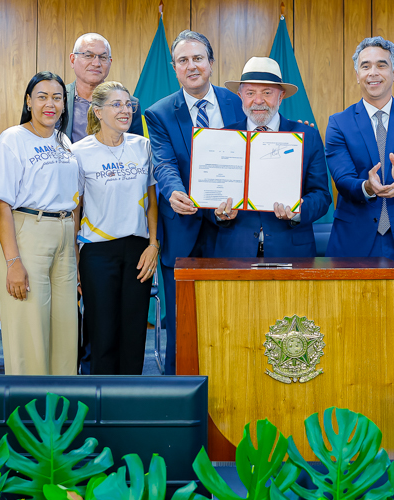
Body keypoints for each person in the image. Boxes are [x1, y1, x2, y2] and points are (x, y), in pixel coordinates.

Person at [325, 36, 394, 374]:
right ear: (357, 73)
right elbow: (342, 177)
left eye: (381, 65)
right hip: (354, 242)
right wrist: (367, 186)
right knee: (350, 330)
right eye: (365, 66)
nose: (373, 73)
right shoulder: (339, 122)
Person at [144, 30, 244, 374]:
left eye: (198, 58)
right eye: (183, 60)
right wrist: (172, 191)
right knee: (182, 324)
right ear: (174, 68)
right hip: (182, 228)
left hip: (232, 229)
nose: (192, 66)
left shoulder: (238, 102)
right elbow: (164, 162)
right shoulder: (158, 113)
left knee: (230, 320)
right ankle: (178, 400)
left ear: (211, 64)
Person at [0, 71, 79, 376]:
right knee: (30, 331)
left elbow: (74, 198)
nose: (50, 104)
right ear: (29, 102)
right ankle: (29, 415)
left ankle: (60, 414)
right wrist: (13, 261)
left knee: (66, 332)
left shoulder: (64, 140)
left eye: (57, 97)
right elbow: (2, 204)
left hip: (65, 235)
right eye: (42, 97)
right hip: (29, 232)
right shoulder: (12, 138)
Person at [72, 81, 158, 375]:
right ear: (98, 110)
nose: (125, 110)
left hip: (138, 249)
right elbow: (75, 210)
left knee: (134, 332)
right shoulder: (79, 151)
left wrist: (153, 245)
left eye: (128, 104)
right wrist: (75, 260)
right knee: (102, 332)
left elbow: (152, 204)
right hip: (97, 252)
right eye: (117, 104)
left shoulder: (143, 146)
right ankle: (99, 407)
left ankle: (129, 404)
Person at [212, 57, 331, 256]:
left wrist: (299, 211)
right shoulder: (224, 137)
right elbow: (211, 196)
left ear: (281, 96)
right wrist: (220, 214)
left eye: (267, 93)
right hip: (235, 251)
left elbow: (322, 196)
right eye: (250, 93)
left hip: (291, 251)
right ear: (240, 95)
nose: (258, 101)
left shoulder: (307, 136)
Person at [65, 33, 144, 144]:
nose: (96, 63)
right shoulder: (57, 98)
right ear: (73, 60)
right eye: (88, 56)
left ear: (110, 63)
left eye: (103, 57)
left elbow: (136, 149)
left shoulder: (130, 104)